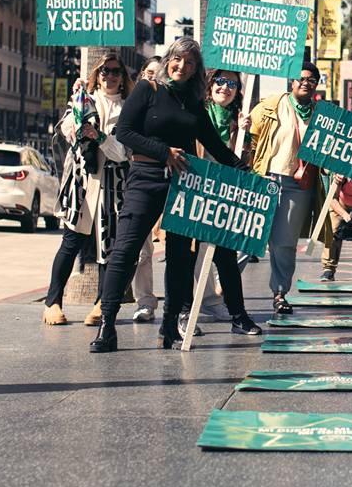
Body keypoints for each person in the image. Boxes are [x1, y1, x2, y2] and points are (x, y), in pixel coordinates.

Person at [88, 40, 245, 353]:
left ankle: (170, 325)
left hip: (181, 184)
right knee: (126, 249)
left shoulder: (192, 101)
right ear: (168, 61)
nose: (181, 67)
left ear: (196, 70)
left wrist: (249, 173)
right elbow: (125, 132)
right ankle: (107, 325)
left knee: (179, 257)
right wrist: (164, 152)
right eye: (177, 60)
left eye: (189, 63)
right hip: (145, 178)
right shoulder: (149, 89)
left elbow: (215, 146)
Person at [42, 53, 132, 326]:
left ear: (122, 75)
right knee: (70, 244)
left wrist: (100, 137)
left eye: (115, 71)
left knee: (110, 248)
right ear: (97, 74)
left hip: (113, 187)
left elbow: (123, 152)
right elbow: (67, 130)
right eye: (104, 71)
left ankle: (101, 304)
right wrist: (79, 113)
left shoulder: (129, 107)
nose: (110, 76)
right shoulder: (83, 100)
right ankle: (52, 303)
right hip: (82, 185)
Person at [244, 62, 332, 315]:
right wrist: (244, 132)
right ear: (291, 81)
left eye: (311, 80)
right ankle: (222, 290)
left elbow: (327, 154)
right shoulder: (272, 104)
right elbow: (251, 136)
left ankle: (280, 293)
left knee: (284, 243)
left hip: (297, 185)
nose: (306, 82)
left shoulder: (321, 115)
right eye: (301, 78)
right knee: (246, 238)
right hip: (265, 179)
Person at [192, 68, 261, 334]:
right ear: (209, 85)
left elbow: (243, 164)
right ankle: (186, 314)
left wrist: (243, 138)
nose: (225, 87)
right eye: (220, 81)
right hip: (194, 191)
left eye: (232, 83)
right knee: (189, 256)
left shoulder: (238, 122)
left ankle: (237, 315)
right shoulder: (197, 113)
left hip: (223, 197)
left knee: (226, 257)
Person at [130, 56, 162, 323]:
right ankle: (105, 308)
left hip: (156, 179)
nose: (153, 77)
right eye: (149, 72)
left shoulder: (166, 104)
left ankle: (146, 301)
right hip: (120, 182)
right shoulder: (131, 100)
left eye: (158, 74)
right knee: (124, 249)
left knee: (144, 252)